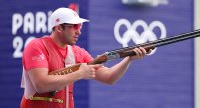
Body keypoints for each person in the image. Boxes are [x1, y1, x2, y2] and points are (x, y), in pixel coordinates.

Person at [20, 7, 150, 108]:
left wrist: (129, 59)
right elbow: (41, 85)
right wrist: (80, 73)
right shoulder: (37, 46)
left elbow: (109, 77)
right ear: (59, 28)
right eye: (74, 26)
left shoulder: (78, 52)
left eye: (80, 26)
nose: (79, 31)